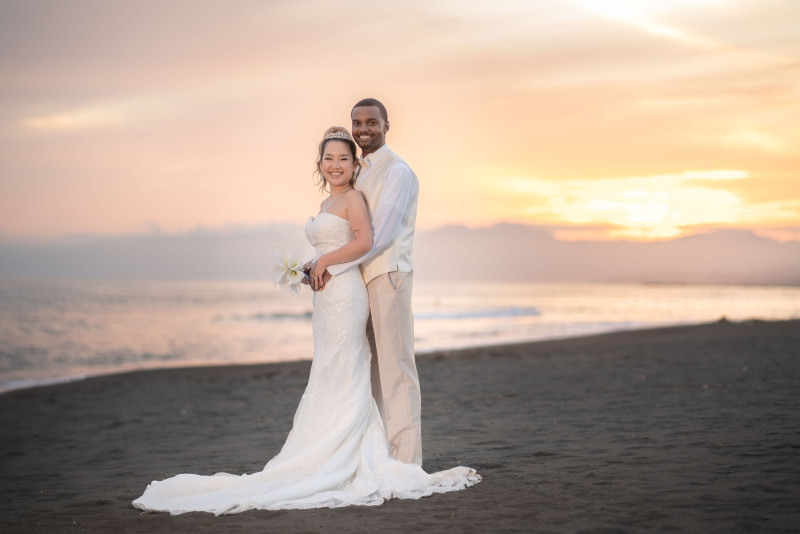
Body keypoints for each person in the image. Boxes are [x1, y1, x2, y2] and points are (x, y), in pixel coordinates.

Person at [131, 127, 479, 515]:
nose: (336, 165)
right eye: (329, 158)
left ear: (354, 164)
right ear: (319, 163)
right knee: (328, 369)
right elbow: (334, 246)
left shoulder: (354, 198)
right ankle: (324, 446)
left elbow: (365, 242)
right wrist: (308, 268)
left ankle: (352, 451)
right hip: (326, 297)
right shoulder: (328, 202)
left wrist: (325, 260)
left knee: (346, 366)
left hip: (346, 294)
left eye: (343, 158)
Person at [309, 98, 422, 466]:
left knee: (396, 370)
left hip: (388, 275)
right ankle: (378, 456)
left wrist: (332, 265)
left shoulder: (396, 171)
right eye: (357, 123)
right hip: (359, 283)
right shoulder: (360, 173)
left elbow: (382, 235)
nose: (363, 129)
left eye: (372, 122)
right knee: (369, 372)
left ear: (386, 125)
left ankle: (407, 463)